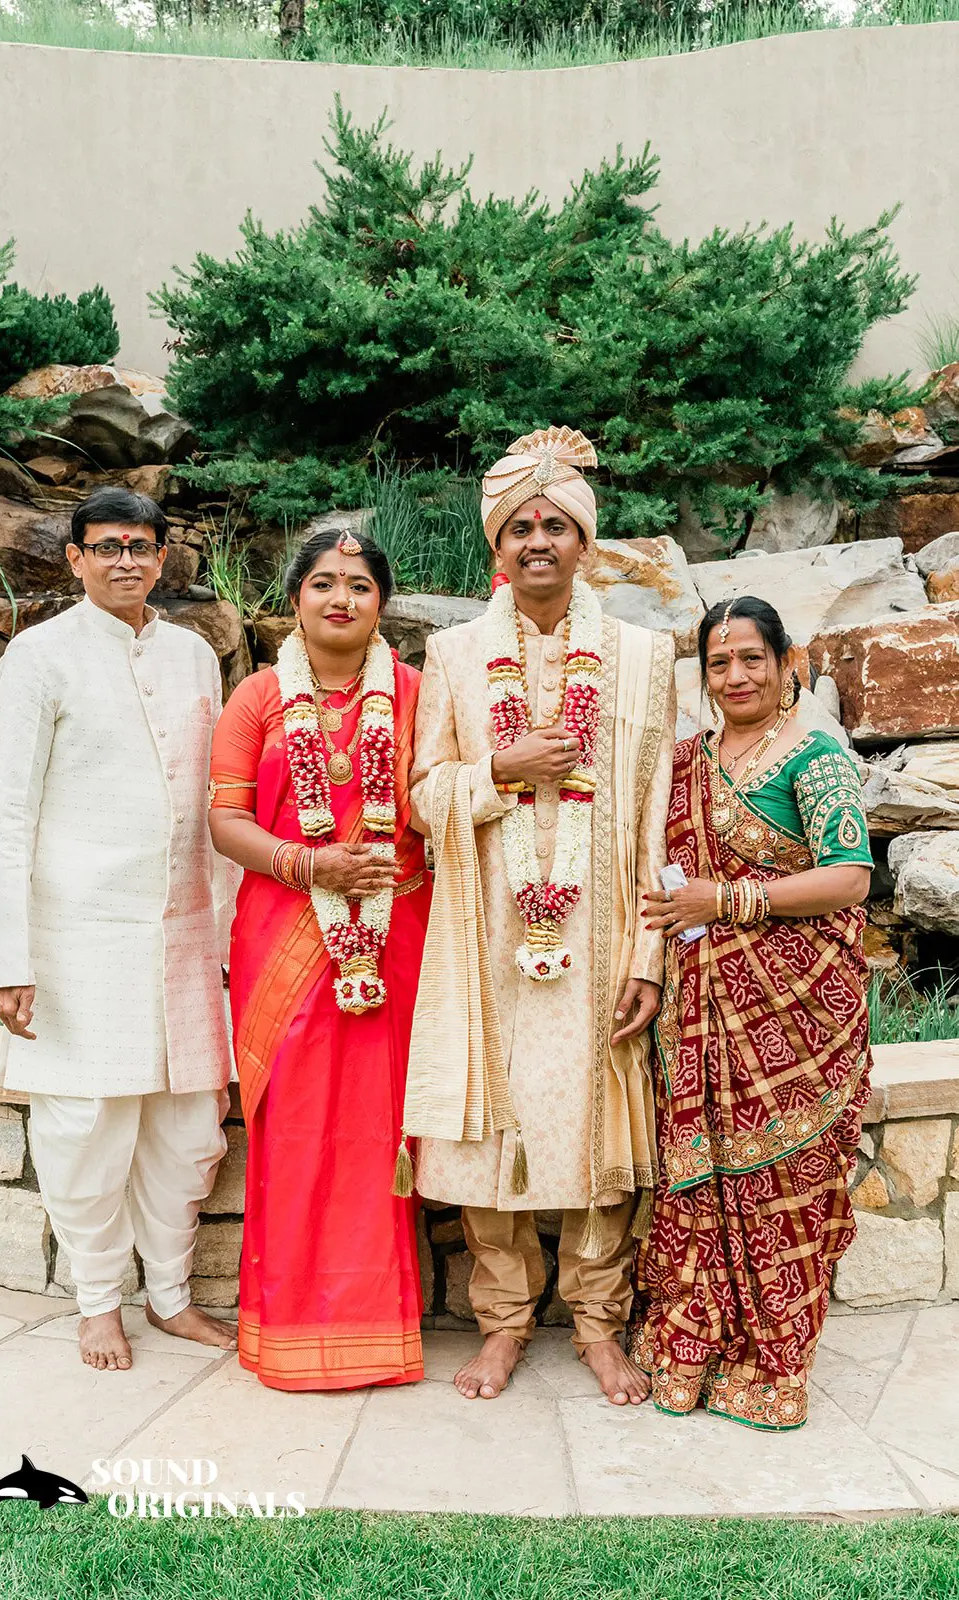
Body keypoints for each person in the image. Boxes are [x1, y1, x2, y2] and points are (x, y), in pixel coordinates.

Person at [402, 425, 677, 1405]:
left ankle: (599, 1328)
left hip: (601, 936)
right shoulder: (453, 654)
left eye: (554, 525)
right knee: (493, 1133)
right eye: (518, 526)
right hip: (486, 937)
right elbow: (420, 797)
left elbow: (656, 818)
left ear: (584, 542)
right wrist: (497, 770)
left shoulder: (644, 657)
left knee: (601, 1136)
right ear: (496, 544)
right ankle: (503, 1325)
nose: (536, 542)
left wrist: (646, 956)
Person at [0, 486, 235, 1372]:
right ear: (76, 558)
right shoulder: (39, 655)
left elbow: (217, 799)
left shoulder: (194, 656)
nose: (125, 560)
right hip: (78, 935)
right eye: (106, 546)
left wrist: (229, 938)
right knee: (84, 1123)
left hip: (186, 930)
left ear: (162, 558)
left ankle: (169, 1295)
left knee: (189, 1126)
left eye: (139, 546)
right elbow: (11, 815)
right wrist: (12, 959)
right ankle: (97, 1302)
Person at [634, 595, 874, 1431]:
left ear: (784, 664)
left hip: (798, 1014)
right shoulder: (686, 761)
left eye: (750, 659)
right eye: (719, 661)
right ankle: (693, 1345)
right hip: (699, 1012)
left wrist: (731, 899)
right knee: (701, 1177)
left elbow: (850, 876)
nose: (734, 675)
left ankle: (773, 1367)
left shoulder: (816, 757)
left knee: (782, 1187)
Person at [208, 527, 430, 1392]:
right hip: (283, 937)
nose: (342, 598)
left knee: (378, 1132)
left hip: (392, 934)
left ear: (382, 603)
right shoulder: (258, 699)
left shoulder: (418, 696)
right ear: (295, 597)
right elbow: (226, 823)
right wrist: (308, 865)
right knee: (296, 1132)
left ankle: (375, 1334)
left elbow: (443, 802)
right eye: (325, 583)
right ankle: (290, 1333)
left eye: (360, 585)